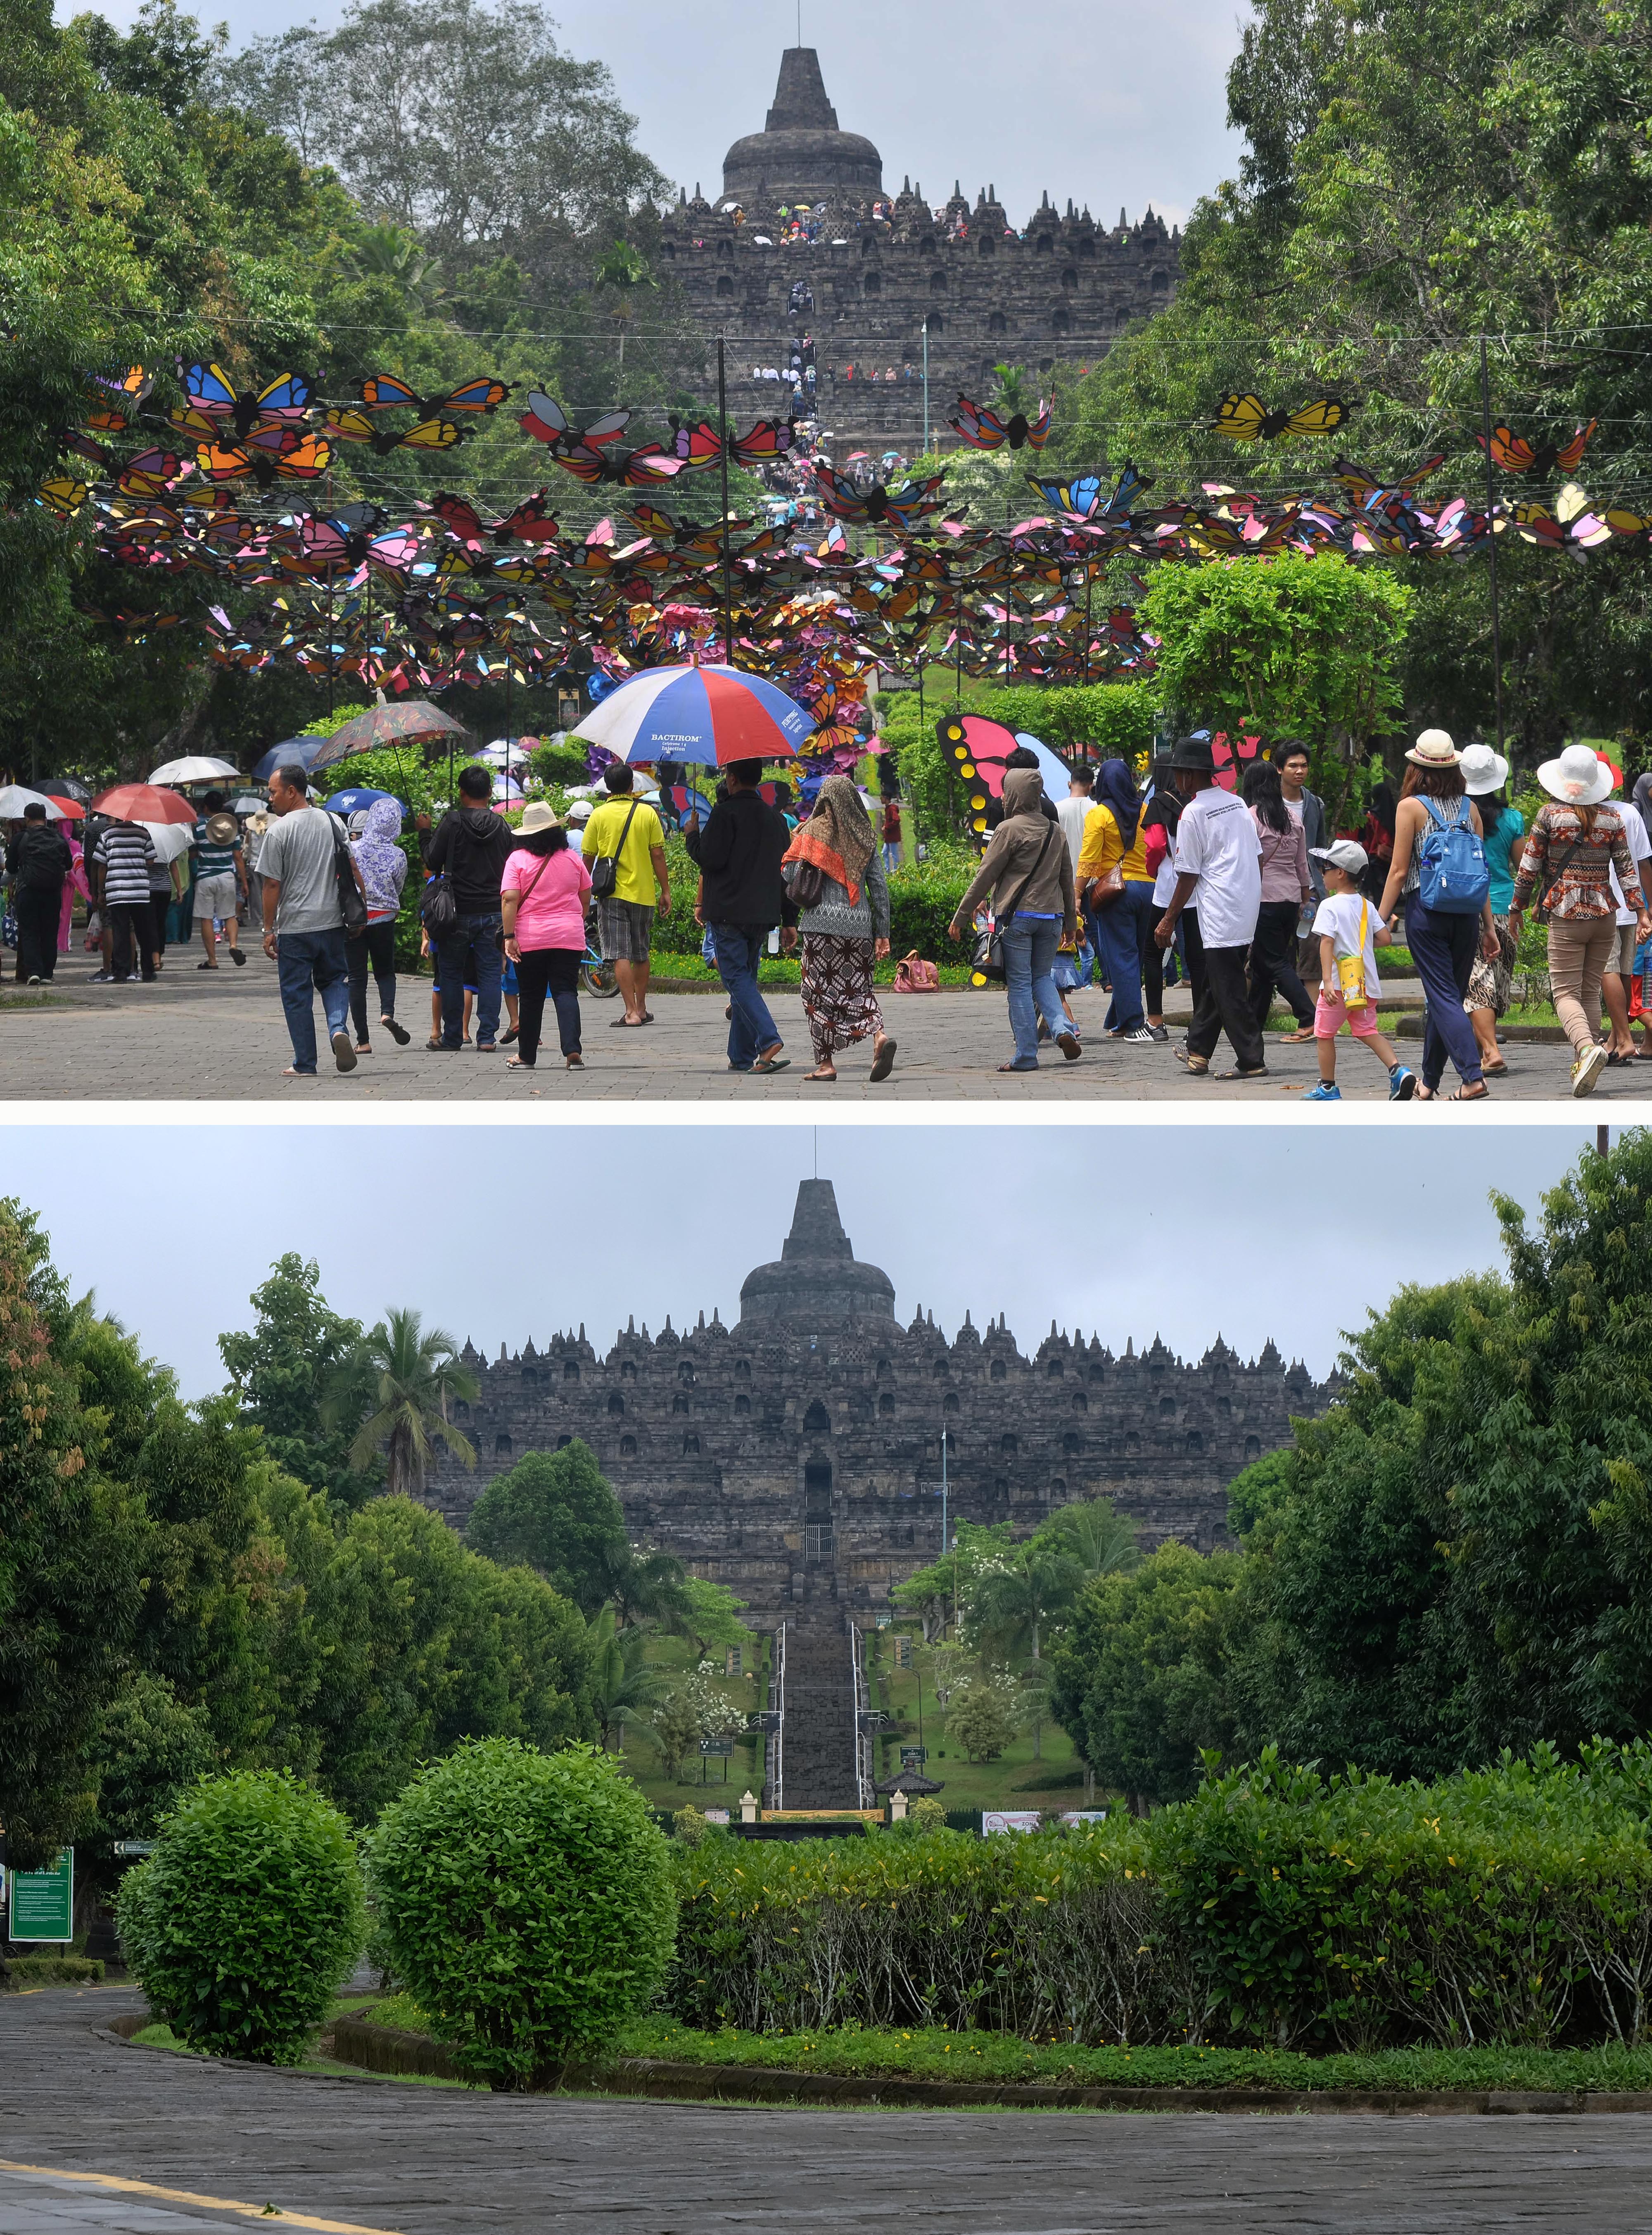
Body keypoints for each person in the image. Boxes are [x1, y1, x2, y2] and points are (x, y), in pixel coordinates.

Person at [1508, 741, 1649, 1099]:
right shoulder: (1612, 818)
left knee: (1564, 993)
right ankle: (1583, 1067)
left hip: (1567, 914)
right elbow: (1627, 870)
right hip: (1605, 914)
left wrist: (1516, 909)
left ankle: (1587, 1050)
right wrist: (1642, 911)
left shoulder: (1550, 816)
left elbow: (1529, 868)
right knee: (1589, 992)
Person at [1374, 730, 1501, 1102]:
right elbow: (1481, 876)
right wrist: (1489, 928)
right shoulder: (1470, 809)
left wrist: (1380, 918)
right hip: (1466, 915)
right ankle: (1429, 1083)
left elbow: (1398, 871)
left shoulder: (1410, 808)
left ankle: (1473, 1076)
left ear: (1416, 768)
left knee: (1443, 997)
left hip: (1427, 912)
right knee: (1447, 998)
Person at [947, 766, 1079, 1072]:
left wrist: (962, 914)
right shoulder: (1054, 831)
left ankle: (1026, 1055)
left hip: (1018, 919)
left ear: (1015, 794)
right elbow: (1066, 879)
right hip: (1052, 917)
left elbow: (986, 875)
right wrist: (1071, 924)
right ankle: (1061, 1028)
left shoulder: (1008, 830)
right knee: (1042, 978)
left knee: (1020, 984)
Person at [1154, 736, 1266, 1080]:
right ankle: (1199, 1051)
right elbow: (1259, 857)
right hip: (1246, 903)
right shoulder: (1237, 804)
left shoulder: (1193, 813)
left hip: (1219, 909)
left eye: (1178, 774)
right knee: (1219, 981)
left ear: (1189, 775)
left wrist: (1168, 920)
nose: (1176, 781)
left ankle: (1251, 1059)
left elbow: (1188, 873)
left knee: (1228, 986)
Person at [783, 772, 896, 1083]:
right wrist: (883, 932)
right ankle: (878, 1035)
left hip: (819, 927)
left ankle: (826, 1064)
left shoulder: (813, 831)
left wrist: (798, 841)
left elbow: (791, 877)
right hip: (858, 928)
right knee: (859, 989)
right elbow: (880, 889)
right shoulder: (864, 835)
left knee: (814, 993)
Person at [685, 758, 793, 1075]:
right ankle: (741, 1054)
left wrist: (693, 835)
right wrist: (789, 919)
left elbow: (710, 860)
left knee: (736, 979)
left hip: (730, 912)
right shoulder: (775, 819)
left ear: (732, 779)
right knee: (746, 977)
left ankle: (768, 1039)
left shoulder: (724, 813)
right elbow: (785, 873)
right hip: (762, 913)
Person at [259, 763, 361, 1077]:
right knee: (334, 981)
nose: (270, 799)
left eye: (274, 792)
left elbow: (272, 884)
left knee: (297, 995)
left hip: (295, 928)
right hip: (332, 923)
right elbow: (353, 869)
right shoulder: (333, 822)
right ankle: (337, 1029)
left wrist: (267, 929)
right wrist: (363, 910)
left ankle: (305, 1063)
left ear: (292, 791)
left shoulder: (279, 830)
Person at [1302, 839, 1417, 1101]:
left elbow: (1326, 943)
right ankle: (1398, 1071)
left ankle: (1328, 1087)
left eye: (1325, 866)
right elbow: (1385, 938)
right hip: (1364, 984)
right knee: (1367, 1031)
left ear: (1340, 873)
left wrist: (1328, 982)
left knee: (1323, 1033)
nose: (1322, 872)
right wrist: (1361, 941)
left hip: (1339, 986)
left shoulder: (1329, 905)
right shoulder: (1366, 905)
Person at [421, 765, 514, 1053]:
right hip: (493, 911)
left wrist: (424, 833)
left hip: (455, 912)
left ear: (461, 793)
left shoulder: (452, 823)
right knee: (489, 973)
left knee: (450, 973)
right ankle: (487, 1037)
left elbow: (431, 861)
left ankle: (452, 1037)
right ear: (490, 793)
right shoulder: (502, 826)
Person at [501, 801, 593, 1070]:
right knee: (566, 991)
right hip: (569, 935)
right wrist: (575, 920)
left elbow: (509, 899)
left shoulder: (517, 860)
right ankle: (573, 1051)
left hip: (531, 937)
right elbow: (586, 896)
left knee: (531, 996)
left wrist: (509, 936)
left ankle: (527, 1056)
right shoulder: (572, 859)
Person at [581, 764, 669, 1029]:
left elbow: (587, 859)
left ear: (608, 788)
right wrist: (665, 891)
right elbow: (657, 855)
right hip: (643, 893)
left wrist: (582, 893)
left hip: (611, 894)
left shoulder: (599, 815)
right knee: (641, 953)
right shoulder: (648, 814)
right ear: (633, 786)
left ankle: (630, 1012)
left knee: (619, 953)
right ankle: (642, 1008)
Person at [1076, 757, 1158, 1044]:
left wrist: (1076, 895)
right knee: (1135, 956)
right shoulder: (1146, 809)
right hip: (1150, 890)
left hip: (1117, 893)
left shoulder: (1099, 815)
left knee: (1121, 958)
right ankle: (1120, 1020)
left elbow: (1089, 859)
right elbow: (1157, 847)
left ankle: (1135, 1024)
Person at [1459, 743, 1524, 1077]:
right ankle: (1486, 1048)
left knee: (1477, 982)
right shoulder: (1512, 819)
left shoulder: (1455, 814)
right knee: (1495, 981)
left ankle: (1490, 1050)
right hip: (1505, 905)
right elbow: (1521, 867)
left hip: (1469, 906)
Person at [1243, 758, 1315, 1041]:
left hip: (1264, 900)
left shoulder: (1251, 817)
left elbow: (1249, 864)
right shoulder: (1292, 819)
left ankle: (1309, 1015)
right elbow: (1302, 866)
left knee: (1272, 962)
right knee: (1262, 967)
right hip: (1290, 899)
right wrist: (1305, 902)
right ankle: (1252, 1027)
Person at [347, 797, 410, 1051]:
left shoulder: (354, 848)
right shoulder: (398, 855)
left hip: (355, 919)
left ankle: (363, 1041)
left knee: (356, 978)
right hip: (384, 918)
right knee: (385, 972)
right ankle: (387, 1013)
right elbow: (399, 886)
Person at [1600, 761, 1652, 1068]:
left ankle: (1624, 1039)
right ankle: (1614, 1040)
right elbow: (1644, 865)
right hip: (1632, 905)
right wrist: (1647, 909)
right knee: (1623, 972)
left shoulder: (1579, 814)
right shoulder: (1631, 812)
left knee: (1607, 972)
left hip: (1601, 908)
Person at [1273, 740, 1329, 985]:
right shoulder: (1267, 804)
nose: (1299, 771)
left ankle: (1311, 1020)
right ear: (1279, 769)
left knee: (1312, 953)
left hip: (1310, 891)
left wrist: (1319, 884)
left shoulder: (1315, 804)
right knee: (1265, 952)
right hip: (1273, 890)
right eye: (1293, 766)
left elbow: (1320, 848)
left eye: (1304, 766)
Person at [1138, 759, 1181, 1040]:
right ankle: (1201, 1020)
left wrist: (1153, 869)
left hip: (1167, 886)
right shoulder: (1192, 802)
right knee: (1198, 956)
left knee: (1153, 952)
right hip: (1197, 888)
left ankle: (1155, 1022)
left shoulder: (1159, 803)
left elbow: (1154, 845)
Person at [5, 802, 71, 985]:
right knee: (50, 932)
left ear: (27, 818)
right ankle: (48, 973)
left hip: (28, 891)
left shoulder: (21, 838)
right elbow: (69, 865)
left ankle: (33, 971)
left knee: (29, 932)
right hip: (52, 893)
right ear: (45, 818)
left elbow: (10, 867)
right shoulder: (58, 838)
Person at [93, 813, 160, 983]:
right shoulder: (144, 833)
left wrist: (101, 892)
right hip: (140, 891)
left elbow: (102, 866)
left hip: (117, 890)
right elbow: (151, 860)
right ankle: (148, 971)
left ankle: (121, 972)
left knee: (120, 931)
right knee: (144, 932)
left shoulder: (107, 834)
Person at [190, 791, 248, 969]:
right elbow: (238, 858)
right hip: (227, 877)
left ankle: (212, 961)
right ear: (222, 807)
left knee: (207, 918)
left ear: (205, 807)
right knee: (230, 915)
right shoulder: (231, 828)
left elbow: (193, 856)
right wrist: (245, 883)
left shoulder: (199, 829)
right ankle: (233, 945)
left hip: (206, 877)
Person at [1056, 764, 1099, 987]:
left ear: (1069, 783)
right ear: (1091, 785)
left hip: (1064, 881)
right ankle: (1107, 979)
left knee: (1064, 930)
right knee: (1097, 933)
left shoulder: (1057, 809)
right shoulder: (1097, 809)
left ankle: (1064, 976)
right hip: (1093, 882)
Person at [146, 829, 183, 973]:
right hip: (165, 889)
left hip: (147, 888)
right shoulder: (167, 840)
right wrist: (179, 889)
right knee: (160, 923)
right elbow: (174, 867)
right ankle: (159, 956)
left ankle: (154, 958)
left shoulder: (143, 839)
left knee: (150, 924)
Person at [880, 790, 903, 873]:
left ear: (886, 798)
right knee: (884, 852)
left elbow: (896, 820)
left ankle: (896, 871)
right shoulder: (888, 808)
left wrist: (887, 827)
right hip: (889, 837)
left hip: (893, 836)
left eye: (882, 797)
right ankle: (887, 870)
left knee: (894, 854)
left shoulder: (892, 808)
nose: (881, 799)